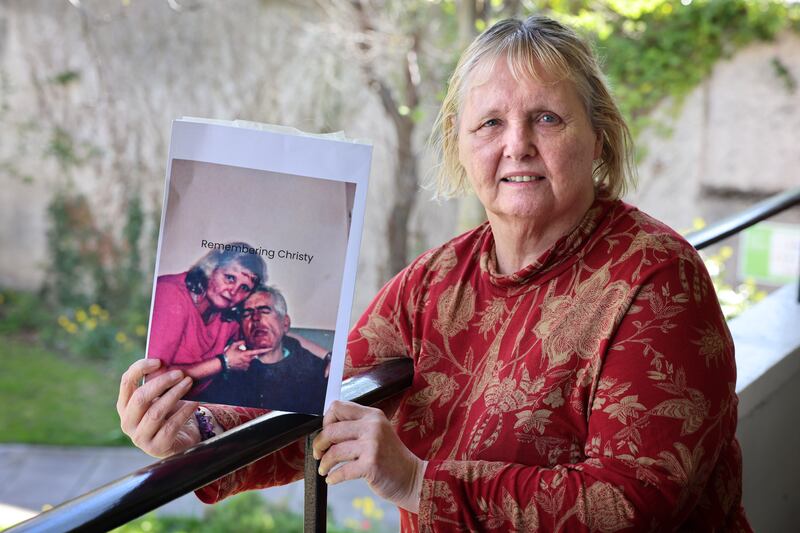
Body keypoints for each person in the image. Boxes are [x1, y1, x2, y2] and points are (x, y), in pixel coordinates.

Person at [118, 16, 750, 531]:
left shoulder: (658, 278)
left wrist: (420, 483)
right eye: (491, 123)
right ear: (460, 145)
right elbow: (316, 395)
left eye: (548, 118)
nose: (517, 145)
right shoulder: (435, 281)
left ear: (600, 138)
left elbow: (635, 504)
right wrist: (192, 431)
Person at [147, 242, 272, 393]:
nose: (234, 291)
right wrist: (223, 363)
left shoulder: (229, 315)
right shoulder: (171, 294)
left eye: (244, 288)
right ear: (210, 269)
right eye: (230, 278)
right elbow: (151, 379)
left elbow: (267, 333)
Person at [195, 285, 328, 414]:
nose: (256, 318)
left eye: (264, 311)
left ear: (285, 323)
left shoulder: (313, 371)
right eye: (247, 313)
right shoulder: (227, 374)